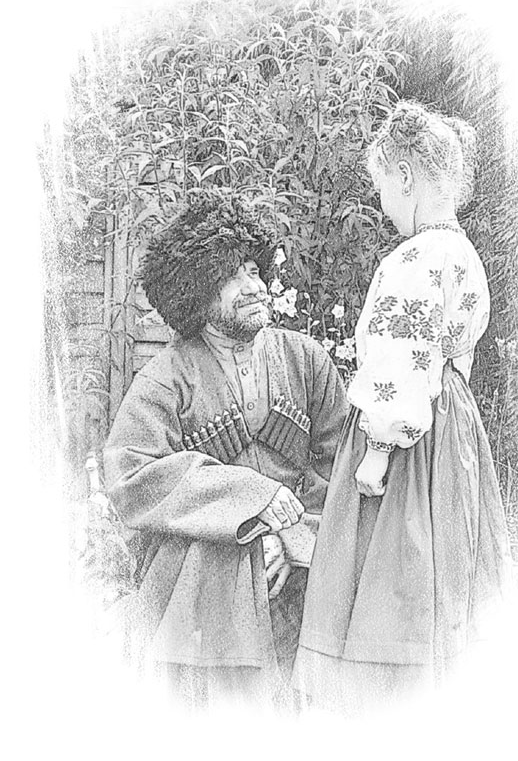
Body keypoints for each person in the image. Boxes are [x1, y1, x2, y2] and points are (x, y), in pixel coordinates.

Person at [292, 100, 512, 711]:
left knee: (388, 564)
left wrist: (380, 449)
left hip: (407, 434)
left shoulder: (414, 260)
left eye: (384, 187)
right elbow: (453, 358)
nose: (385, 204)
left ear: (407, 177)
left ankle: (384, 699)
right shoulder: (464, 255)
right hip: (451, 423)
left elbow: (401, 358)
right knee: (440, 559)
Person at [103, 190, 348, 708]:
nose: (254, 286)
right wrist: (249, 499)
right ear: (197, 293)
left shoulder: (306, 360)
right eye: (232, 276)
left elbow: (340, 469)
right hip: (205, 586)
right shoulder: (166, 378)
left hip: (302, 565)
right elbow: (129, 477)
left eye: (254, 270)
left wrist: (290, 539)